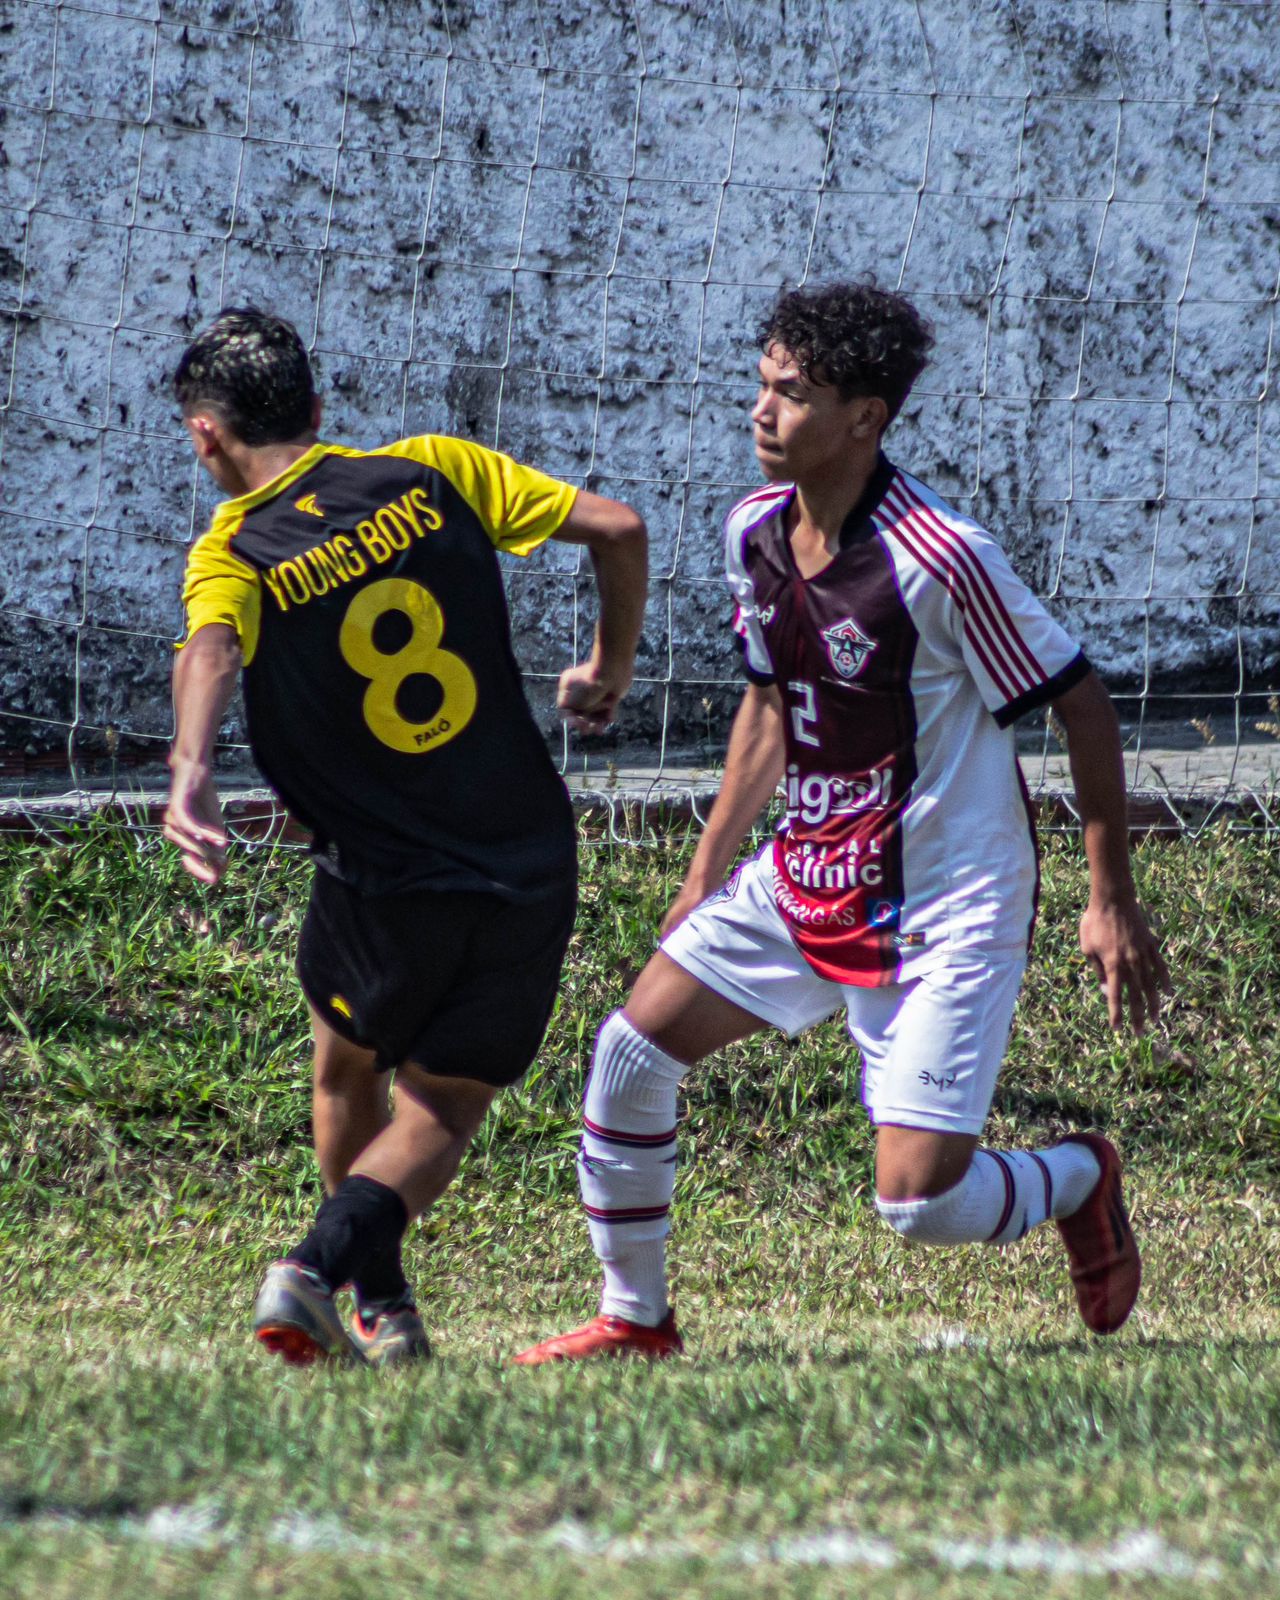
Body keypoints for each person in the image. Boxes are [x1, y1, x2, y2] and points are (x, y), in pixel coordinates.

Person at [514, 281, 1170, 1365]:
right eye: (764, 387)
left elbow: (1080, 701)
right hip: (806, 873)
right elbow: (770, 707)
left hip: (945, 901)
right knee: (630, 1052)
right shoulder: (753, 532)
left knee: (915, 1206)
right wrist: (703, 875)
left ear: (865, 418)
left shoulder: (938, 559)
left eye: (794, 395)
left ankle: (1076, 1176)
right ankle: (635, 1318)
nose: (762, 413)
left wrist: (1108, 898)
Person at [164, 306, 647, 1366]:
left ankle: (323, 1273)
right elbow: (616, 526)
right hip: (523, 851)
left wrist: (190, 772)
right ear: (319, 412)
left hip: (381, 875)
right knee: (446, 1102)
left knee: (346, 1069)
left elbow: (207, 651)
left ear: (206, 437)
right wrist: (607, 669)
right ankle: (368, 1292)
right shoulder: (432, 468)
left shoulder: (235, 549)